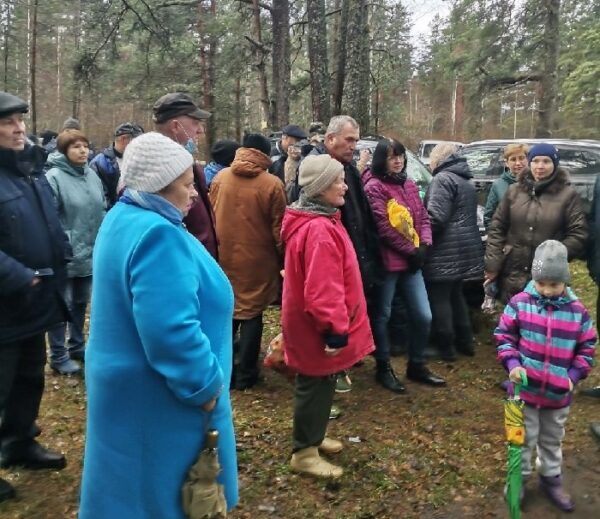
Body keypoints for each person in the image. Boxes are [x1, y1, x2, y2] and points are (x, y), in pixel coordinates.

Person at [79, 132, 238, 518]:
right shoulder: (157, 235)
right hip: (161, 401)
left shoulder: (123, 216)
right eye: (186, 185)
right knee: (160, 500)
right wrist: (203, 388)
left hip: (126, 391)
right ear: (158, 187)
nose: (195, 193)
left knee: (129, 493)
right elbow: (170, 330)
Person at [281, 154, 375, 478]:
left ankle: (314, 437)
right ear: (320, 188)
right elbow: (324, 289)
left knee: (323, 382)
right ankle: (304, 452)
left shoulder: (324, 220)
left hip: (313, 325)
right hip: (316, 328)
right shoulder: (319, 229)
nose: (344, 186)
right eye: (337, 180)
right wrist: (334, 330)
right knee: (314, 383)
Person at [0, 92, 69, 503]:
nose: (18, 128)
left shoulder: (30, 171)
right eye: (7, 122)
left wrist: (60, 252)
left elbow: (47, 222)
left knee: (29, 378)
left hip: (35, 304)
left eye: (20, 120)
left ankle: (19, 443)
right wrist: (20, 276)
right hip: (5, 305)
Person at [495, 240, 596, 512]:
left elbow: (587, 347)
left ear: (565, 280)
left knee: (551, 440)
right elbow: (504, 337)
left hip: (557, 395)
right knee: (523, 440)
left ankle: (551, 480)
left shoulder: (578, 312)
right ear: (534, 279)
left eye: (554, 284)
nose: (548, 290)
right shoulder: (519, 304)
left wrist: (573, 376)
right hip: (524, 393)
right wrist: (513, 363)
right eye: (542, 284)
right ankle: (519, 479)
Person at [363, 139, 445, 391]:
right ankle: (383, 367)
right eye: (391, 157)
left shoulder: (408, 183)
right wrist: (412, 251)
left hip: (412, 262)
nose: (397, 161)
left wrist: (424, 246)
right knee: (383, 315)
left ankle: (417, 364)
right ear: (381, 159)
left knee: (423, 314)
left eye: (400, 156)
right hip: (389, 263)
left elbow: (422, 217)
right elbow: (384, 228)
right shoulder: (374, 186)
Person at [209, 134, 286, 390]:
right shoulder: (272, 184)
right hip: (258, 261)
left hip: (223, 257)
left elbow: (211, 215)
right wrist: (284, 258)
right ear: (265, 153)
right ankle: (246, 375)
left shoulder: (220, 178)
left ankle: (224, 371)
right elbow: (279, 230)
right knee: (252, 314)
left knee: (228, 312)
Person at [485, 143, 588, 304]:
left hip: (547, 278)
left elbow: (578, 233)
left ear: (554, 164)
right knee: (513, 320)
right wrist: (493, 264)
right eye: (536, 161)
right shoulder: (513, 191)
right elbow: (497, 227)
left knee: (542, 323)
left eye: (546, 161)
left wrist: (553, 257)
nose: (540, 166)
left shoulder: (568, 195)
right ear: (530, 162)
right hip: (513, 272)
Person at [45, 130, 106, 375]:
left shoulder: (92, 175)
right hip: (65, 252)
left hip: (89, 249)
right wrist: (64, 243)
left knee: (81, 302)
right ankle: (58, 355)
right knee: (62, 305)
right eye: (75, 147)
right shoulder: (54, 177)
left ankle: (77, 346)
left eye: (85, 145)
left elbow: (101, 206)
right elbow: (50, 217)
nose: (82, 151)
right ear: (63, 151)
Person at [423, 143, 484, 361]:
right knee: (456, 294)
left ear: (439, 159)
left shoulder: (443, 179)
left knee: (439, 297)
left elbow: (436, 218)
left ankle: (445, 347)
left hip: (445, 249)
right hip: (465, 248)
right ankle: (465, 341)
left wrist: (419, 237)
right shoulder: (463, 179)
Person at [152, 92, 218, 258]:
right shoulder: (156, 172)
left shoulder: (187, 164)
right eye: (195, 123)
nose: (201, 131)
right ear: (175, 126)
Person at [90, 122, 143, 207]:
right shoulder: (99, 164)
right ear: (123, 139)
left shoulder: (139, 160)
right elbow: (100, 198)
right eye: (137, 142)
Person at [483, 143, 528, 229]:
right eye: (513, 159)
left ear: (528, 160)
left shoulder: (537, 182)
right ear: (507, 163)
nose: (518, 163)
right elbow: (489, 217)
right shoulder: (498, 185)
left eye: (521, 158)